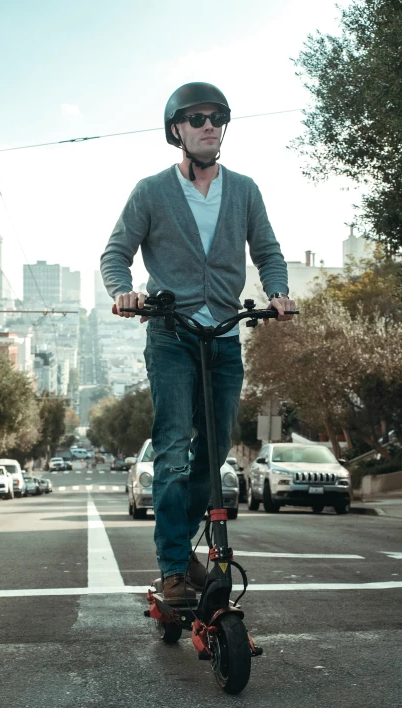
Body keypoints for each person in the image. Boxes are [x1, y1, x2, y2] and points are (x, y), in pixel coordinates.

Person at [101, 82, 295, 604]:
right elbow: (115, 254)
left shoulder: (245, 190)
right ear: (177, 131)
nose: (209, 125)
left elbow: (269, 252)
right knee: (172, 453)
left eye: (216, 117)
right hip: (171, 335)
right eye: (196, 118)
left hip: (225, 333)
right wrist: (124, 293)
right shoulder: (151, 191)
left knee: (214, 456)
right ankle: (171, 567)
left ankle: (180, 546)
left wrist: (277, 292)